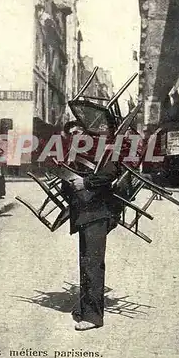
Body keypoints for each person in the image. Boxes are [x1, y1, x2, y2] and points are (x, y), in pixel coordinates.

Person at [60, 121, 120, 331]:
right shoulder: (76, 156)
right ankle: (86, 308)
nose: (75, 136)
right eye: (71, 134)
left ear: (85, 133)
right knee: (86, 264)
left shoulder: (102, 150)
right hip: (85, 215)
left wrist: (85, 183)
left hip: (98, 214)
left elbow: (110, 173)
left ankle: (94, 317)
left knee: (93, 265)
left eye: (78, 132)